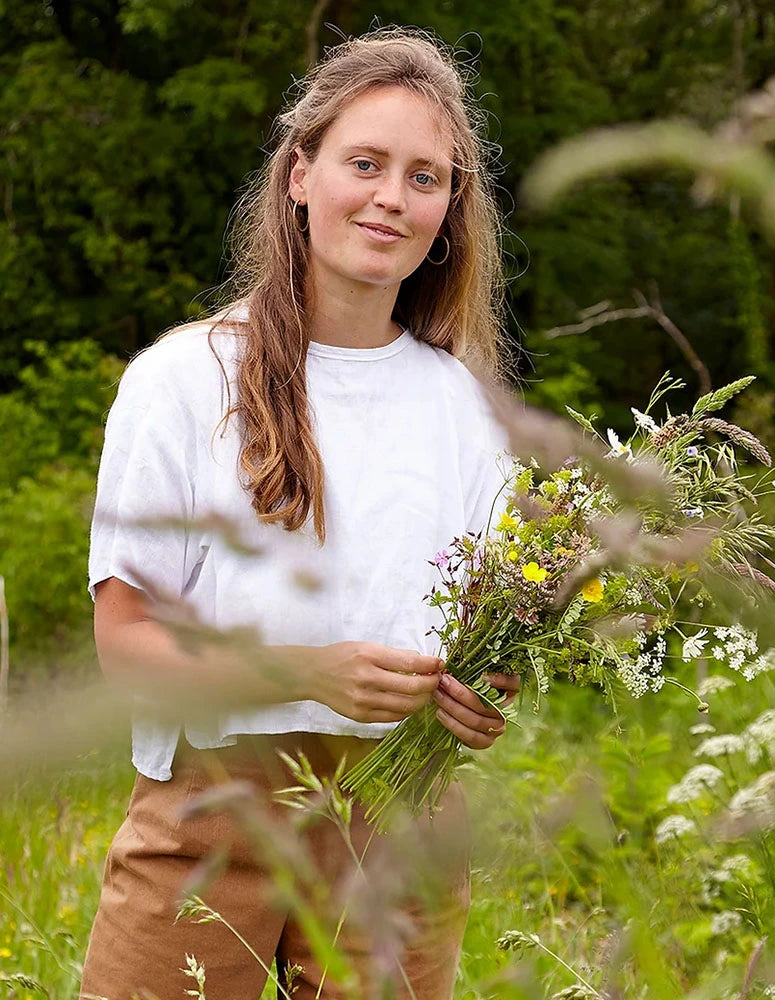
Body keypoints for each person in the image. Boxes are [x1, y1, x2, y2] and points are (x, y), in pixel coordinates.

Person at [79, 27, 519, 1000]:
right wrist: (308, 672)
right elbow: (126, 644)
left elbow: (494, 629)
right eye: (364, 163)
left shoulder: (462, 407)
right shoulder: (184, 381)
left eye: (424, 177)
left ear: (448, 211)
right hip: (214, 807)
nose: (390, 198)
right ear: (300, 174)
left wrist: (485, 694)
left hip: (397, 811)